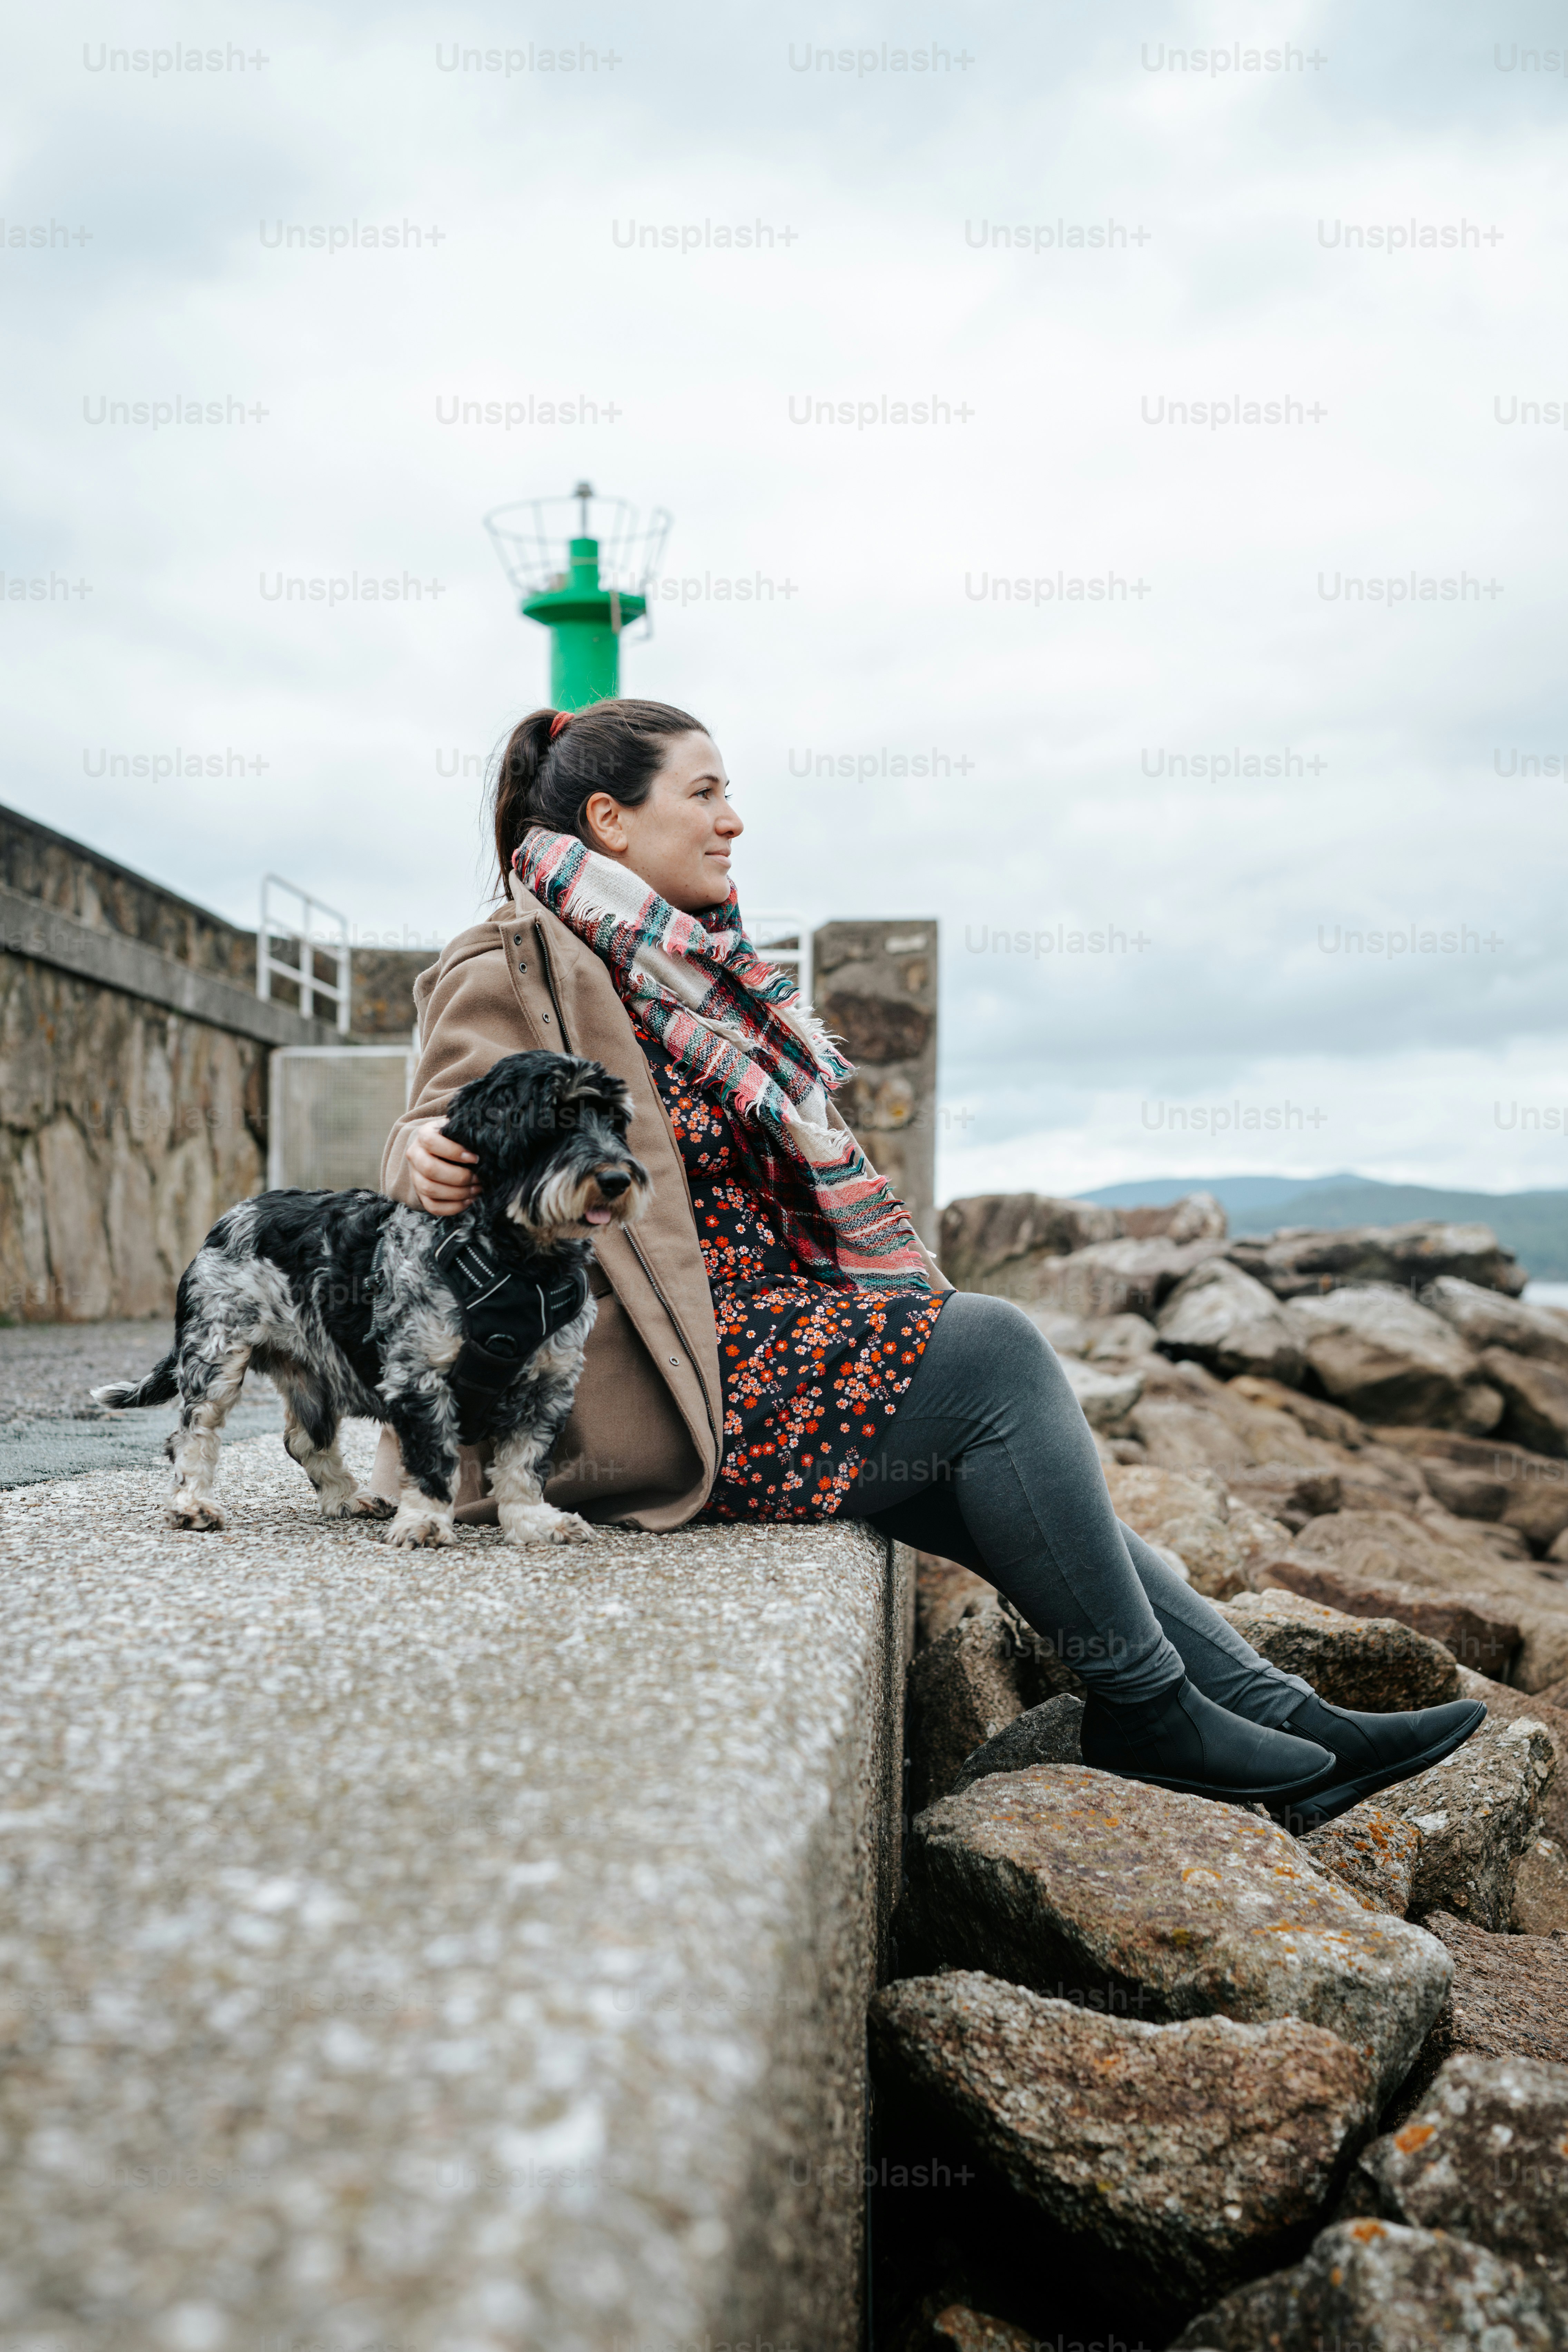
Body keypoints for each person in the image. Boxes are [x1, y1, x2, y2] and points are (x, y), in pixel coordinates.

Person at [377, 696, 1483, 1828]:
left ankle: (1279, 1712)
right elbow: (429, 1129)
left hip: (747, 1337)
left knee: (994, 1453)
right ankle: (1152, 1712)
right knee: (992, 1351)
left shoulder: (686, 966)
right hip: (633, 1379)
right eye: (704, 794)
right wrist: (425, 1154)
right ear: (611, 820)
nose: (733, 821)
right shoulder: (514, 959)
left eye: (729, 794)